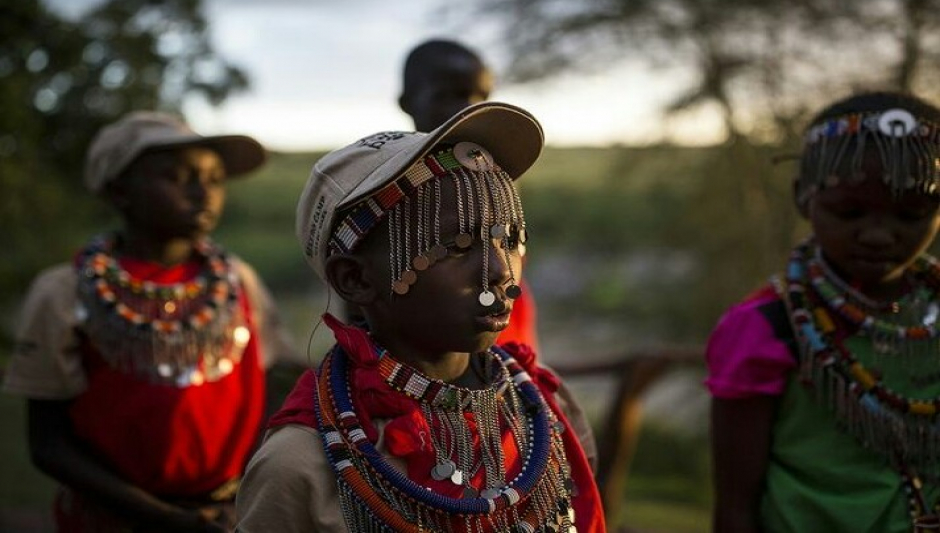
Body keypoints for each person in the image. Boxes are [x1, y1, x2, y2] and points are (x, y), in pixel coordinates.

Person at [236, 102, 605, 532]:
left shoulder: (548, 411)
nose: (502, 271)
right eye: (459, 245)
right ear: (354, 279)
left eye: (508, 239)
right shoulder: (300, 466)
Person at [3, 111, 293, 532]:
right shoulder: (64, 292)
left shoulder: (239, 282)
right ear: (120, 191)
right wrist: (164, 518)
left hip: (228, 514)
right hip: (109, 520)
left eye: (214, 180)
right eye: (177, 177)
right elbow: (48, 444)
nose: (202, 193)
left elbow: (272, 386)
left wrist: (248, 488)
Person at [707, 91, 940, 531]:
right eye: (848, 211)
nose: (877, 235)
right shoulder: (765, 328)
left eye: (911, 214)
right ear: (803, 198)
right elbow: (736, 506)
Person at [395, 38, 539, 350]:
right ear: (406, 102)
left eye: (481, 95)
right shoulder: (390, 192)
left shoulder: (497, 178)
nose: (470, 107)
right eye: (451, 95)